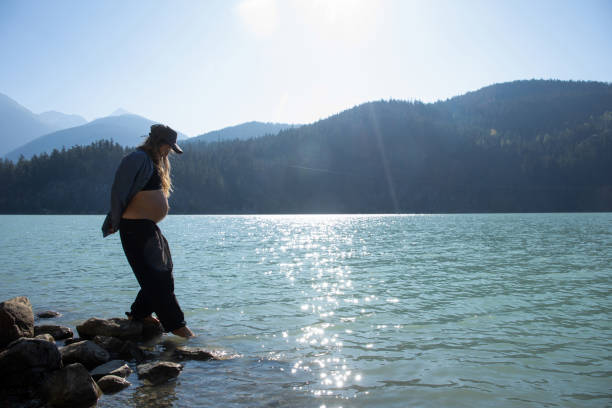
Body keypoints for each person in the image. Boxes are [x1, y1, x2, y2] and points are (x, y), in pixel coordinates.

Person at [102, 124, 194, 338]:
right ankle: (178, 326)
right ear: (159, 143)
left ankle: (139, 314)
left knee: (164, 274)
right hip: (134, 229)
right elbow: (119, 190)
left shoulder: (151, 162)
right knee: (156, 278)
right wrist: (114, 221)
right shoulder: (136, 159)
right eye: (168, 147)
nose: (168, 152)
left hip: (147, 227)